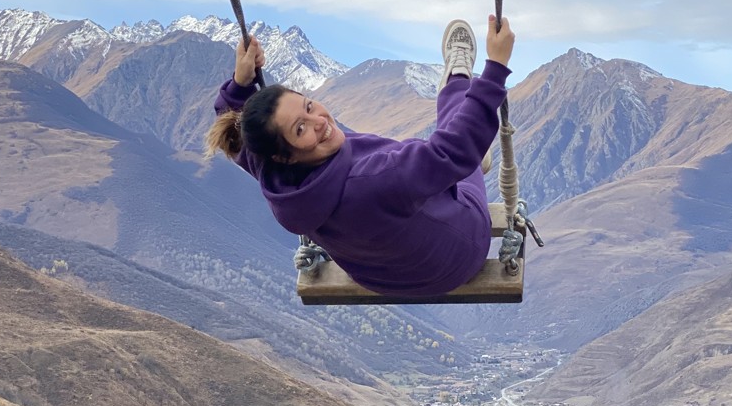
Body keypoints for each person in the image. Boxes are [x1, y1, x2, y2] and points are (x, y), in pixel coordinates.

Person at [206, 17, 516, 297]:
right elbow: (452, 152)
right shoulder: (373, 180)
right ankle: (459, 78)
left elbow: (235, 137)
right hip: (458, 255)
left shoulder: (279, 176)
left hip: (381, 276)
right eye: (301, 128)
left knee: (429, 159)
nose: (320, 122)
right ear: (284, 154)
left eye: (309, 106)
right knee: (459, 155)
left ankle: (464, 125)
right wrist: (496, 69)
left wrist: (240, 83)